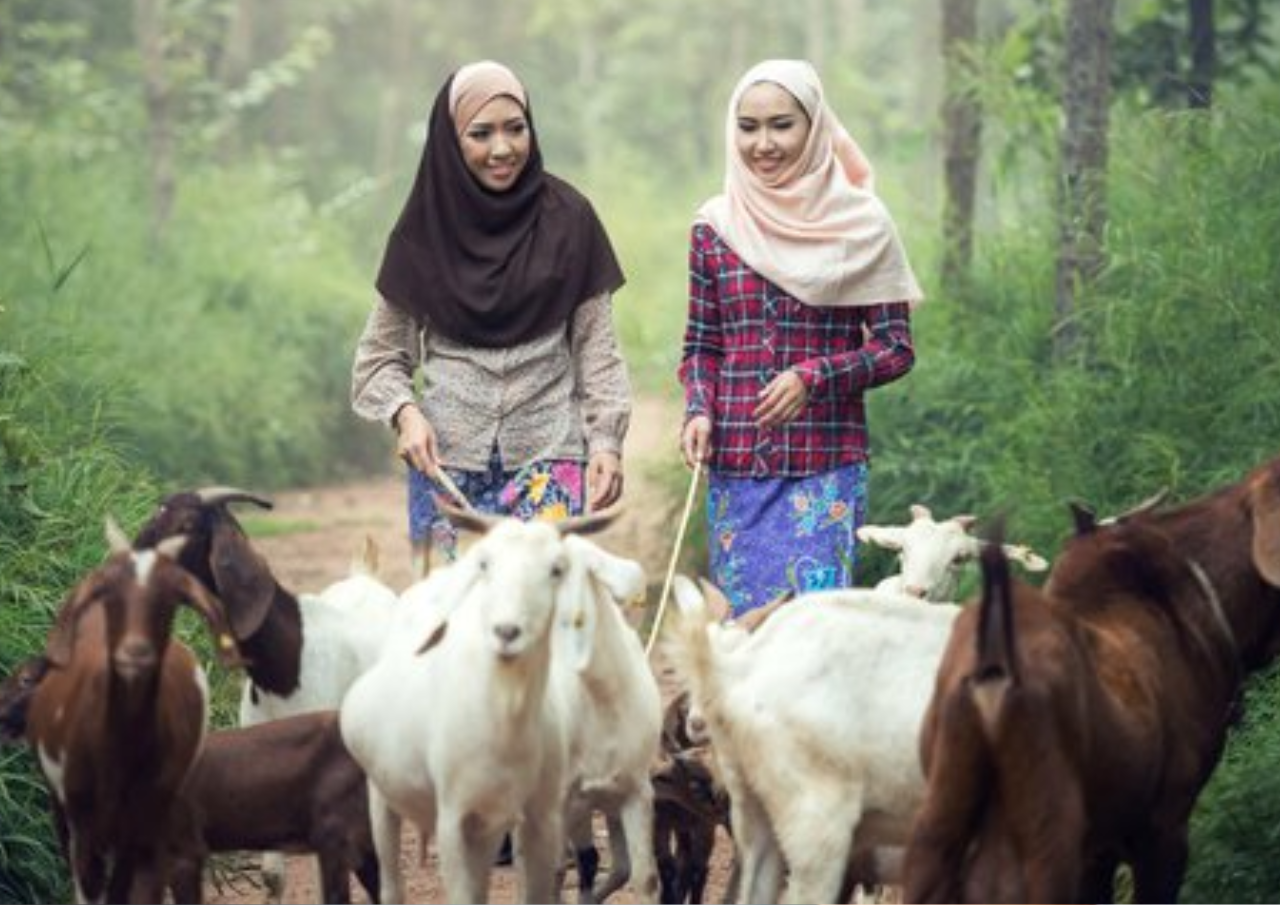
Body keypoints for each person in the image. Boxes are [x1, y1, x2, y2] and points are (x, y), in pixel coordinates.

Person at [352, 60, 631, 578]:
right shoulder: (421, 235)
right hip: (446, 470)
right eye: (481, 134)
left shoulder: (571, 219)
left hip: (550, 459)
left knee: (537, 617)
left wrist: (608, 442)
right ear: (450, 142)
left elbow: (598, 350)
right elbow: (378, 360)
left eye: (515, 128)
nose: (502, 149)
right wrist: (406, 415)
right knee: (451, 623)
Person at [678, 59, 921, 618]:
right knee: (742, 637)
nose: (763, 143)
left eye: (782, 125)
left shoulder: (862, 224)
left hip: (825, 465)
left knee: (811, 631)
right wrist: (697, 410)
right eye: (748, 127)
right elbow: (702, 345)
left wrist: (814, 378)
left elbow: (895, 347)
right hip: (736, 465)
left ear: (815, 128)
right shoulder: (714, 227)